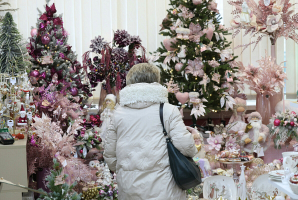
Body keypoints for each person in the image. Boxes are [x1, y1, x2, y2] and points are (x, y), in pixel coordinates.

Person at [104, 63, 198, 200]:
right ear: (156, 81)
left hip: (129, 189)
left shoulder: (118, 114)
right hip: (165, 190)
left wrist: (127, 171)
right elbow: (186, 147)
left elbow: (110, 156)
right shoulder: (168, 110)